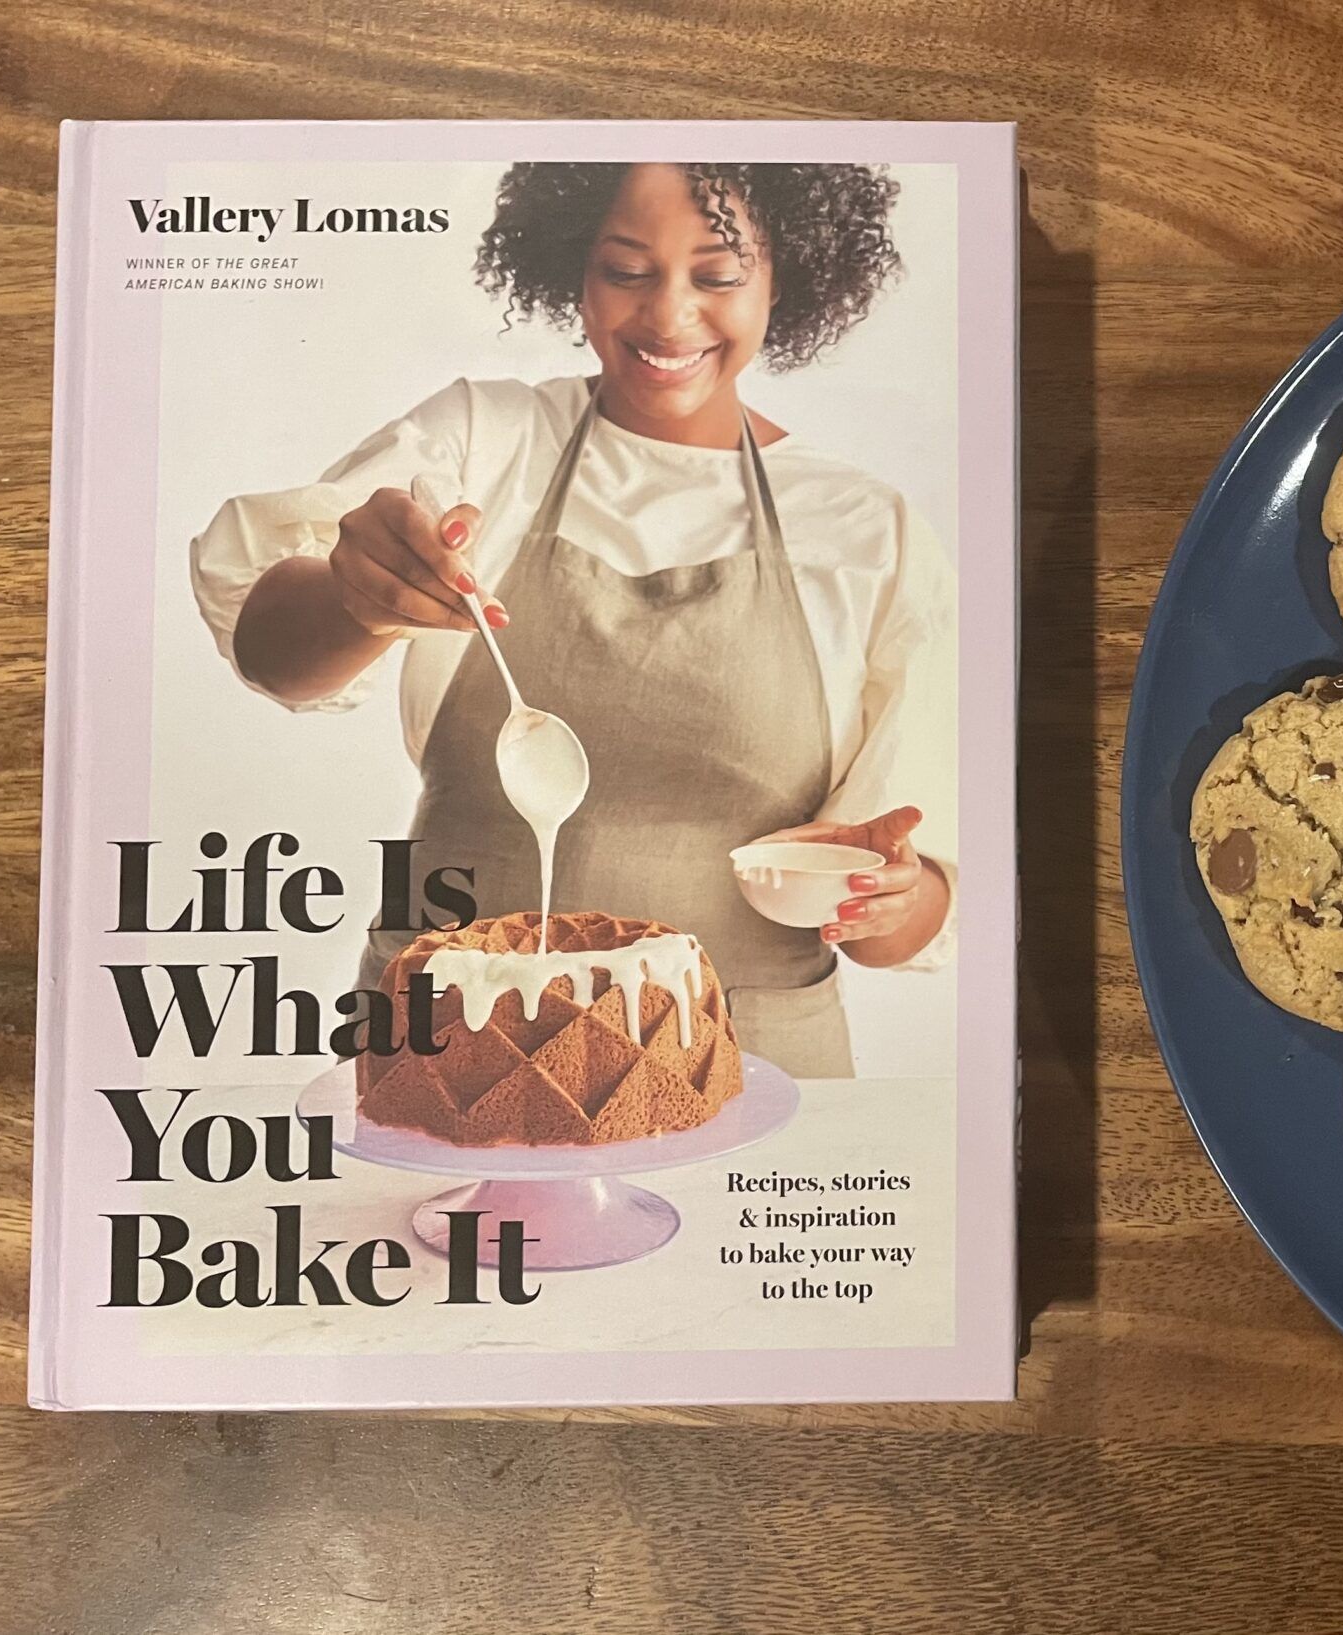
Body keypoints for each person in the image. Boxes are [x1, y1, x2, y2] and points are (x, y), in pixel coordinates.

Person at [189, 160, 956, 1080]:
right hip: (448, 1052)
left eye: (717, 275)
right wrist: (360, 599)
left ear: (783, 277)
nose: (669, 316)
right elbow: (272, 654)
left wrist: (889, 899)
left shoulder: (870, 529)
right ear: (573, 274)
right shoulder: (485, 440)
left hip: (751, 1071)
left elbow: (908, 905)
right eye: (627, 271)